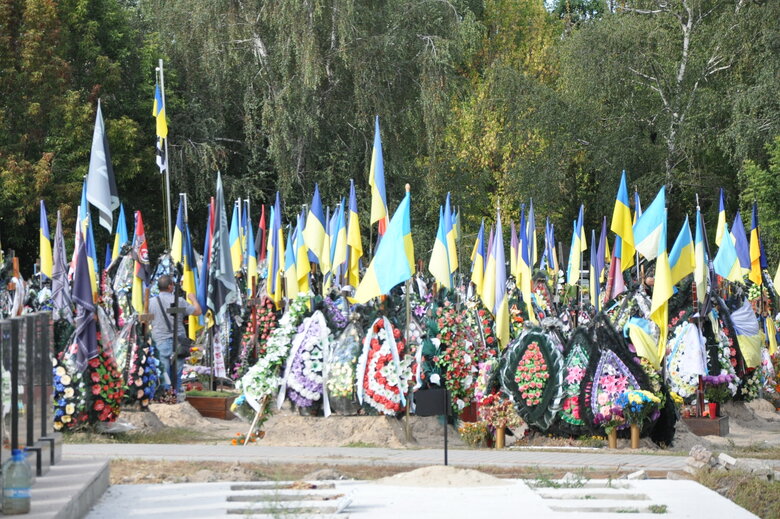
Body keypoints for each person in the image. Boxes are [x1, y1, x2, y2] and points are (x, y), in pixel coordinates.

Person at [150, 275, 202, 400]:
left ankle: (165, 397)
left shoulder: (151, 302)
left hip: (160, 340)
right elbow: (197, 311)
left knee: (163, 372)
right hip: (179, 342)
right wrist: (193, 298)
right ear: (170, 286)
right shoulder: (179, 301)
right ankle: (176, 397)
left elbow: (146, 319)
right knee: (177, 373)